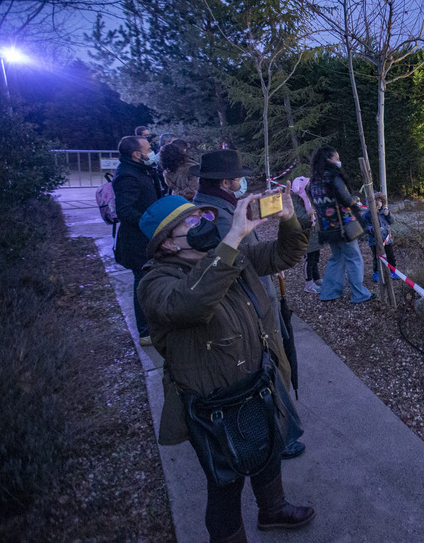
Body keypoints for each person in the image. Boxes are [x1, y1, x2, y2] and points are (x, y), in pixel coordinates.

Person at [136, 192, 315, 542]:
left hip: (258, 380)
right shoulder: (154, 284)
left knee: (269, 448)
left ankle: (272, 510)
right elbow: (191, 304)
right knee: (225, 482)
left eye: (202, 216)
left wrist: (290, 220)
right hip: (212, 404)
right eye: (189, 222)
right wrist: (231, 239)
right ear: (167, 245)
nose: (202, 224)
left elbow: (286, 253)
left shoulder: (231, 256)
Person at [191, 149, 307, 460]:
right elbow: (234, 264)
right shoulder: (219, 217)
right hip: (249, 312)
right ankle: (278, 438)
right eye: (239, 178)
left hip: (250, 304)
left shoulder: (212, 207)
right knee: (267, 374)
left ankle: (275, 433)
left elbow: (247, 253)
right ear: (227, 182)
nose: (244, 182)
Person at [112, 134, 162, 346]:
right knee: (142, 282)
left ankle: (154, 323)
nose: (152, 151)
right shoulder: (127, 176)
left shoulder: (142, 170)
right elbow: (125, 211)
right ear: (136, 154)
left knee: (150, 280)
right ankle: (145, 332)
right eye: (148, 149)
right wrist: (149, 221)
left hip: (148, 238)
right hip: (137, 242)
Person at [308, 146, 374, 304]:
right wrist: (355, 199)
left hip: (327, 228)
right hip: (344, 227)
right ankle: (359, 294)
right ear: (329, 159)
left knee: (336, 258)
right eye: (337, 158)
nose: (339, 161)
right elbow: (346, 199)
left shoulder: (314, 180)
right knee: (354, 258)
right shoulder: (333, 176)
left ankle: (329, 293)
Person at [290, 176, 322, 294]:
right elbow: (297, 216)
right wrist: (308, 214)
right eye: (307, 185)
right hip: (305, 233)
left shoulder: (309, 197)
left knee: (315, 256)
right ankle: (308, 283)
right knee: (309, 258)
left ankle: (316, 278)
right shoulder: (294, 200)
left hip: (314, 232)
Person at [361, 191, 398, 282]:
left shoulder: (384, 212)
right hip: (374, 241)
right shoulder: (367, 215)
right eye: (375, 201)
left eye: (380, 200)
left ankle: (393, 271)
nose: (378, 203)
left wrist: (388, 214)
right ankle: (377, 272)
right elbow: (364, 227)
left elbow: (392, 221)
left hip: (387, 239)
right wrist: (371, 229)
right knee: (376, 257)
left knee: (390, 255)